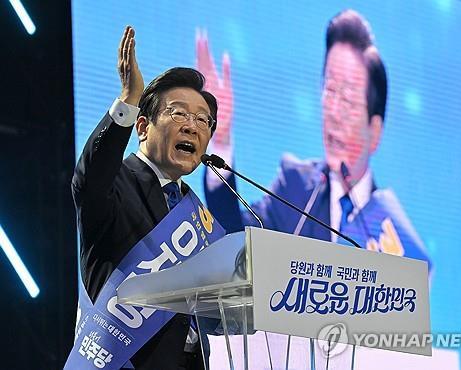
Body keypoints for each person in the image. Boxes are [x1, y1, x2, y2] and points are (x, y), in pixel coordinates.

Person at [200, 9, 431, 266]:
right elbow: (238, 240)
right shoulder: (296, 188)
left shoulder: (392, 235)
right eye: (330, 91)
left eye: (348, 100)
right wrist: (220, 139)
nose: (333, 113)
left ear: (374, 131)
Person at [67, 26, 222, 370]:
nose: (192, 126)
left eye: (203, 120)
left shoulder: (195, 215)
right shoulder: (115, 184)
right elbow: (88, 180)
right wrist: (128, 98)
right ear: (141, 127)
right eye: (179, 113)